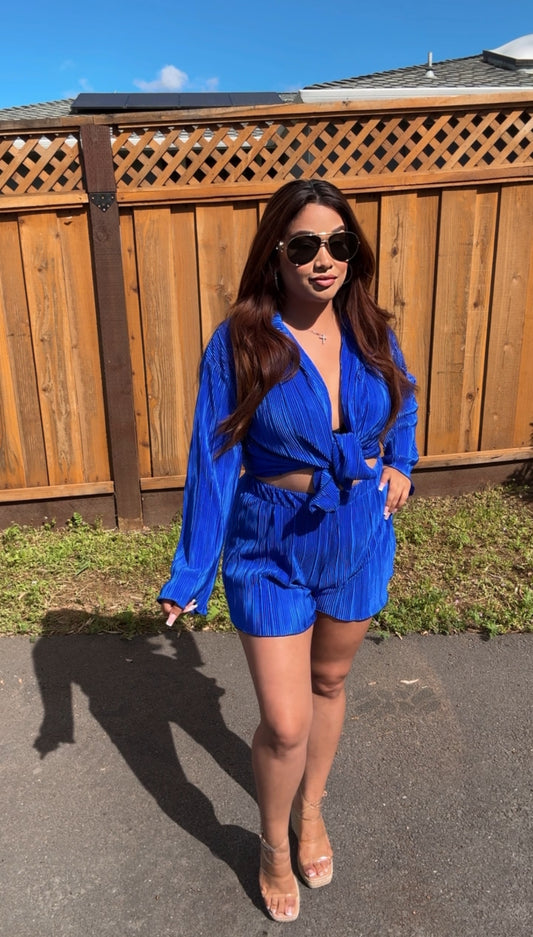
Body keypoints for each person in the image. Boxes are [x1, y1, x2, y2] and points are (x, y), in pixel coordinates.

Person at [159, 179, 418, 923]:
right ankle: (273, 844)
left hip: (358, 535)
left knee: (329, 683)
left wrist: (402, 462)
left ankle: (311, 808)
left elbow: (403, 397)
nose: (323, 260)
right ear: (275, 253)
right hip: (270, 543)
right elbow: (213, 459)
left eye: (338, 244)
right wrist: (191, 571)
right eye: (304, 246)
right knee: (284, 721)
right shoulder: (240, 341)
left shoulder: (370, 329)